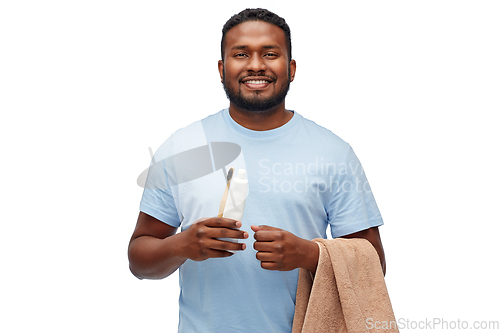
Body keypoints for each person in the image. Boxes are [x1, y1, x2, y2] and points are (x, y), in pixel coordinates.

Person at [128, 8, 386, 333]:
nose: (255, 65)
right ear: (222, 69)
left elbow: (374, 265)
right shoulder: (184, 147)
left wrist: (308, 254)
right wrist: (183, 245)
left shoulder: (334, 152)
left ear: (291, 69)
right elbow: (138, 260)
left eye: (269, 53)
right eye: (240, 54)